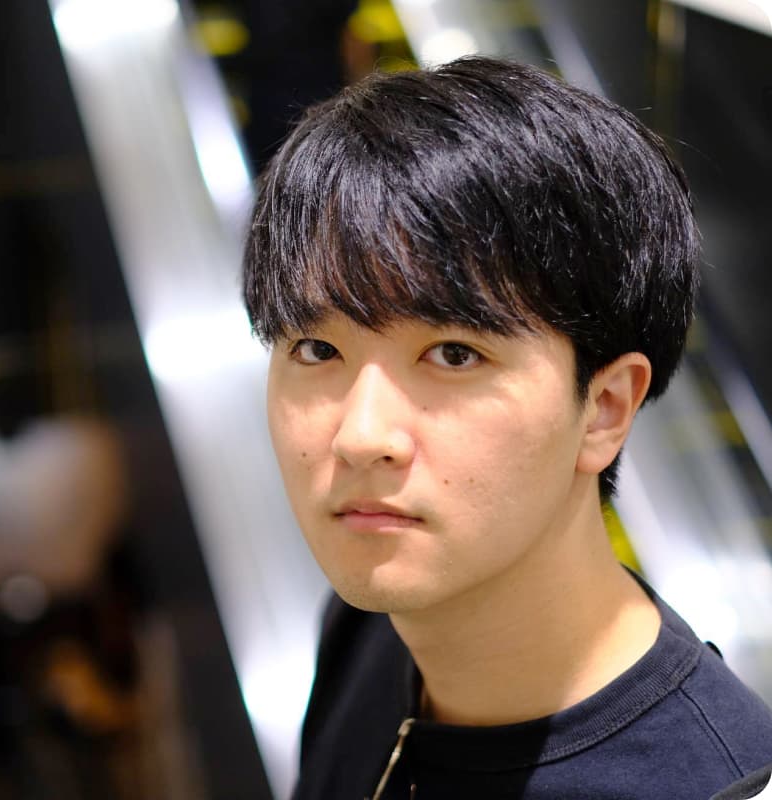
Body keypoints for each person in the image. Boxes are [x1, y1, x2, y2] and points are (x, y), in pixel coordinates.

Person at [242, 56, 772, 799]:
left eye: (454, 354)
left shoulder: (713, 783)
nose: (360, 436)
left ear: (605, 408)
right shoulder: (375, 626)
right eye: (316, 350)